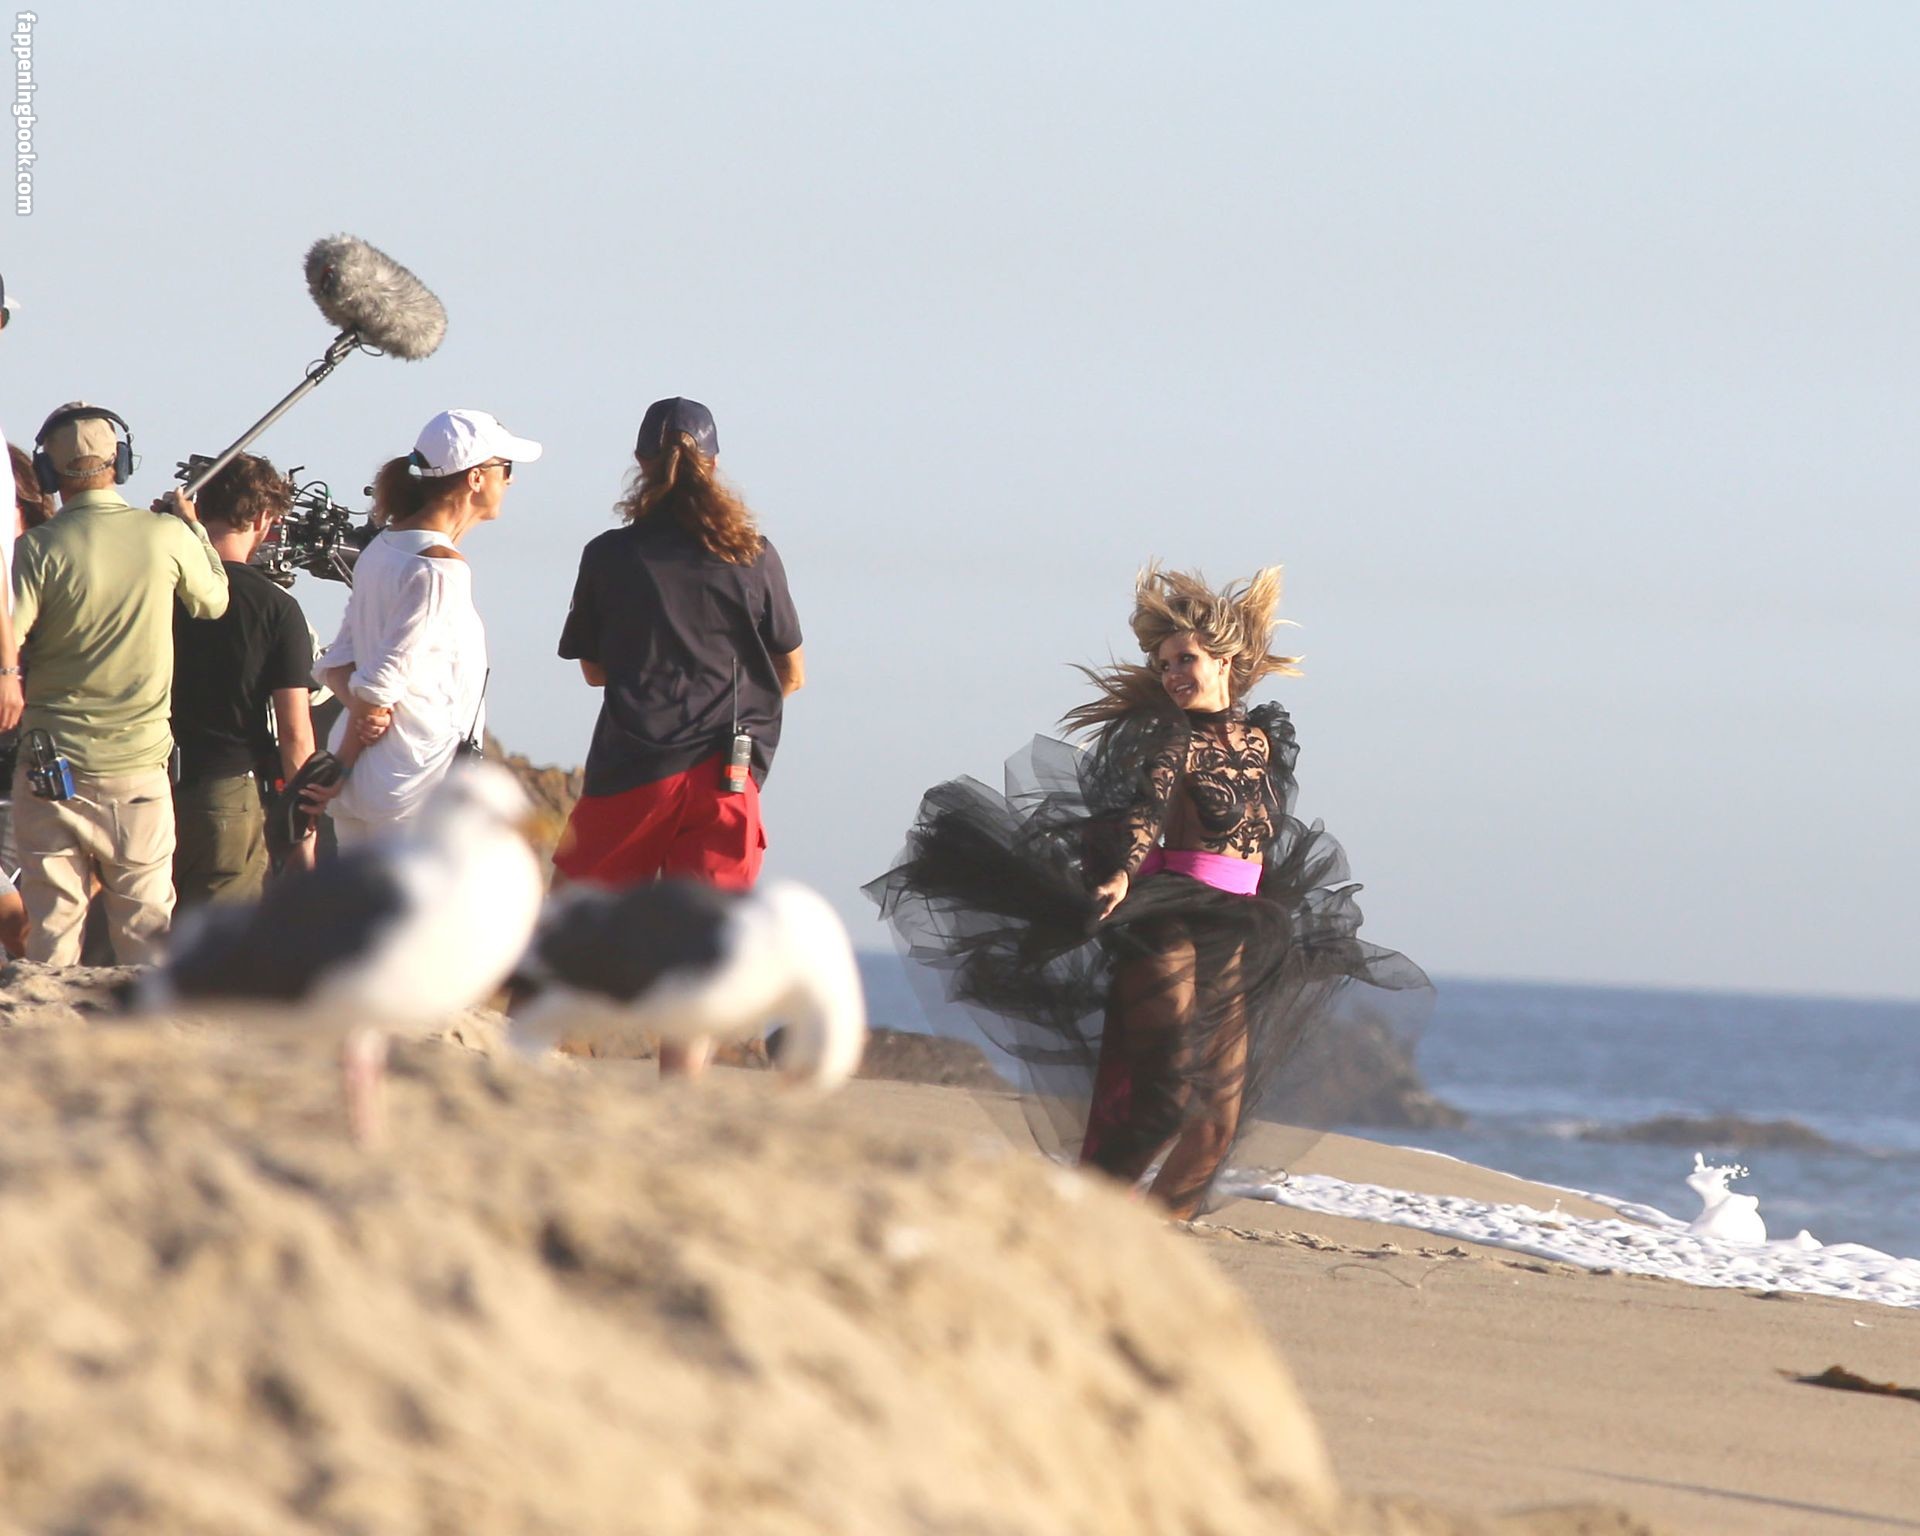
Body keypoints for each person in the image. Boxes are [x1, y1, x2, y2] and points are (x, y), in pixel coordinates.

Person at [867, 564, 1430, 1219]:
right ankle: (1088, 1225)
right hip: (1170, 920)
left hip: (1242, 926)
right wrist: (1120, 872)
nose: (1171, 675)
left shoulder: (1265, 740)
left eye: (1184, 659)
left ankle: (1152, 1246)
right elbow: (1146, 810)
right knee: (1163, 1103)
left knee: (1214, 1130)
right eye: (1163, 665)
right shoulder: (1172, 738)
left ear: (1223, 660)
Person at [552, 397, 805, 1078]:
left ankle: (521, 1068)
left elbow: (594, 670)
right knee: (699, 955)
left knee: (570, 930)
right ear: (714, 465)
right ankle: (678, 1100)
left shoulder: (610, 555)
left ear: (640, 463)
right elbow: (792, 673)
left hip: (636, 765)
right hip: (727, 773)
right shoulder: (753, 555)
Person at [10, 402, 229, 964]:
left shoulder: (36, 548)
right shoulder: (166, 536)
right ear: (121, 462)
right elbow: (213, 601)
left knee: (50, 936)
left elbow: (10, 632)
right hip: (137, 770)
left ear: (49, 472)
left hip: (50, 764)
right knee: (146, 935)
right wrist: (193, 529)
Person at [308, 408, 539, 845]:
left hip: (366, 787)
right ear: (476, 478)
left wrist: (357, 731)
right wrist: (344, 762)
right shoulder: (440, 570)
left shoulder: (380, 549)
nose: (510, 481)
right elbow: (380, 683)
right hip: (411, 785)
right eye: (505, 468)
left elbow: (336, 664)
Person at [170, 453, 318, 906]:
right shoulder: (276, 608)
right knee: (219, 938)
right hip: (229, 791)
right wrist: (303, 835)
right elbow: (295, 733)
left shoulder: (159, 588)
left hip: (149, 784)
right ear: (262, 519)